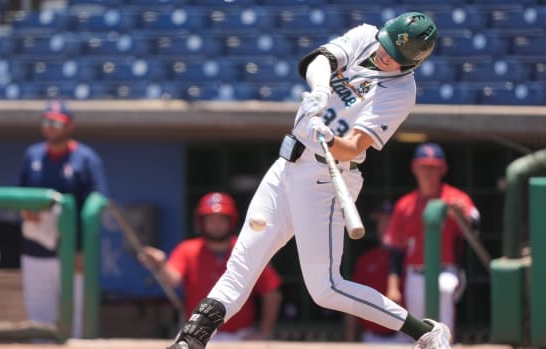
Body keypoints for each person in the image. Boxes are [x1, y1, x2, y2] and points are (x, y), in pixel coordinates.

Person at [166, 11, 451, 349]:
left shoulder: (400, 91)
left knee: (325, 288)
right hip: (286, 167)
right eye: (386, 45)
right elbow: (321, 59)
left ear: (412, 63)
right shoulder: (365, 36)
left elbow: (355, 146)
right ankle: (190, 342)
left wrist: (327, 137)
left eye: (397, 55)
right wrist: (319, 89)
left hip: (325, 179)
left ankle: (426, 332)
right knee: (242, 264)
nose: (385, 54)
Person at [18, 100, 108, 336]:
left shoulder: (86, 158)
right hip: (36, 247)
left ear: (70, 126)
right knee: (39, 322)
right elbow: (20, 196)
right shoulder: (32, 155)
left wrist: (82, 250)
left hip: (72, 252)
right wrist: (25, 210)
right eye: (47, 122)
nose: (52, 127)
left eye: (58, 122)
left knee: (75, 322)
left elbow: (97, 203)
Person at [140, 192, 282, 341]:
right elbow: (172, 279)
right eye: (211, 220)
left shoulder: (247, 249)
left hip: (241, 336)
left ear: (230, 221)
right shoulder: (188, 249)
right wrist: (160, 264)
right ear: (202, 222)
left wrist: (265, 331)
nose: (216, 225)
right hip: (198, 333)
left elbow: (272, 293)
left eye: (221, 219)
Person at [384, 142, 479, 341]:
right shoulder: (405, 205)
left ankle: (445, 344)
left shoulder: (455, 198)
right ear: (415, 169)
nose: (428, 173)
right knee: (416, 330)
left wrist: (463, 217)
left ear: (442, 170)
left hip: (447, 270)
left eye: (434, 168)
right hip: (415, 274)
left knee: (443, 288)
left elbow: (475, 226)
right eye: (424, 167)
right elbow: (396, 251)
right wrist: (392, 287)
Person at [345, 200, 411, 344]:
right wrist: (350, 341)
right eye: (380, 222)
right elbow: (352, 302)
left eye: (388, 221)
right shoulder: (366, 260)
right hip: (372, 337)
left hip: (405, 336)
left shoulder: (410, 256)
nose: (384, 226)